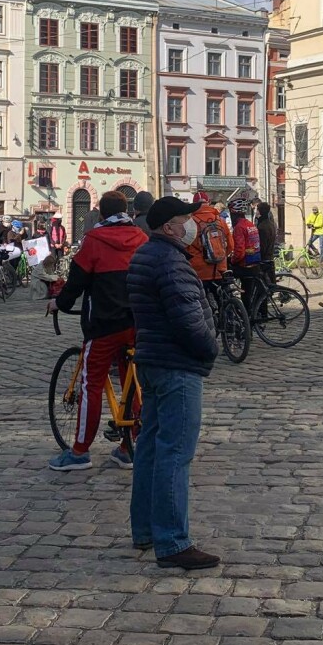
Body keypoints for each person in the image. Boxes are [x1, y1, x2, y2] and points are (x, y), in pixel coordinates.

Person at [127, 196, 219, 570]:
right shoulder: (170, 262)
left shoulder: (147, 255)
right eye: (185, 219)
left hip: (152, 359)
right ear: (169, 227)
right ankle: (173, 541)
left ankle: (147, 529)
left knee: (150, 447)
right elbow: (189, 320)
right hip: (176, 364)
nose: (191, 226)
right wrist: (210, 349)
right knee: (175, 453)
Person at [47, 191, 149, 471]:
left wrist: (60, 303)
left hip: (103, 324)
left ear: (101, 214)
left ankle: (79, 451)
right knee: (132, 380)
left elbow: (76, 283)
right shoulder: (140, 237)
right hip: (135, 322)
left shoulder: (94, 240)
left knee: (91, 384)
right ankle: (129, 445)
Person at [228, 201, 262, 306]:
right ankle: (250, 316)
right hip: (255, 262)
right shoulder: (250, 224)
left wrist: (232, 261)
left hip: (245, 265)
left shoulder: (239, 227)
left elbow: (239, 252)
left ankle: (244, 316)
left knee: (225, 274)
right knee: (248, 293)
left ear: (233, 214)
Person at [255, 201, 278, 286]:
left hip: (264, 258)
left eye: (257, 210)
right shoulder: (271, 224)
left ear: (260, 211)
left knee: (263, 284)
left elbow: (262, 245)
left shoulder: (262, 226)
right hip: (270, 256)